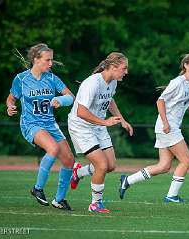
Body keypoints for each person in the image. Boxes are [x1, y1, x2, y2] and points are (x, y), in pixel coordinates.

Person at [119, 53, 189, 203]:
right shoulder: (177, 82)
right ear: (185, 66)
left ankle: (128, 180)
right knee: (186, 161)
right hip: (168, 127)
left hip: (169, 127)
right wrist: (165, 123)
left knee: (164, 166)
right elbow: (160, 101)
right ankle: (172, 196)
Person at [6, 43, 75, 210]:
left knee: (69, 160)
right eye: (47, 60)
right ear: (36, 60)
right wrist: (9, 107)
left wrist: (61, 100)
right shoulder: (21, 79)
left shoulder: (52, 78)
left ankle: (59, 200)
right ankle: (37, 189)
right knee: (52, 148)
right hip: (31, 124)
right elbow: (11, 98)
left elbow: (71, 96)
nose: (51, 63)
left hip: (50, 124)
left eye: (51, 60)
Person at [68, 52, 133, 213]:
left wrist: (121, 119)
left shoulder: (113, 82)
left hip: (97, 125)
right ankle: (95, 203)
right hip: (81, 125)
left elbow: (109, 100)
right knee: (101, 165)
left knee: (110, 166)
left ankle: (79, 172)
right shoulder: (92, 83)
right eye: (124, 68)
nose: (126, 72)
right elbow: (81, 112)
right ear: (113, 67)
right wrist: (105, 122)